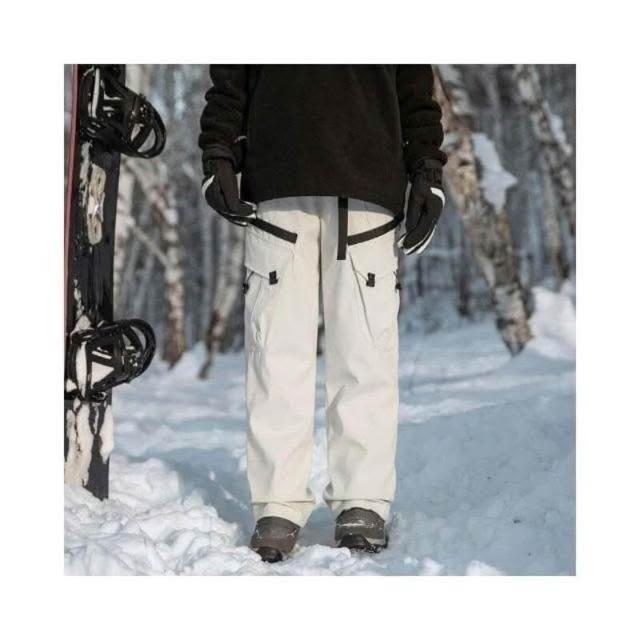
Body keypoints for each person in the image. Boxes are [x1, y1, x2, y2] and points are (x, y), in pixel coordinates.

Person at [199, 65, 446, 563]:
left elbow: (415, 86)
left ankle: (363, 500)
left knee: (365, 355)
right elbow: (230, 77)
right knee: (275, 355)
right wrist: (218, 155)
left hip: (369, 184)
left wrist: (427, 173)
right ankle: (277, 504)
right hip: (277, 183)